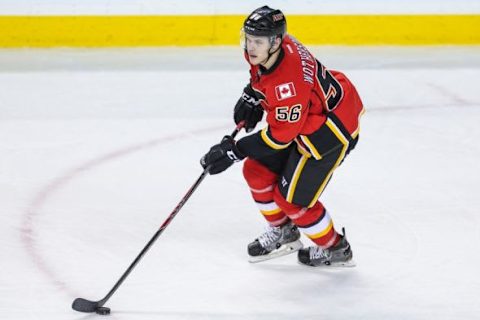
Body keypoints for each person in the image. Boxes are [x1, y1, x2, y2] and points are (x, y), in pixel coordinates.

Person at [201, 5, 364, 267]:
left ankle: (336, 248)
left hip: (328, 134)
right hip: (308, 116)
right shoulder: (277, 47)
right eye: (249, 39)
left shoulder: (288, 86)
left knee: (292, 202)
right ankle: (285, 233)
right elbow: (265, 78)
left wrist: (235, 150)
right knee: (256, 172)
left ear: (275, 41)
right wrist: (253, 94)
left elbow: (279, 138)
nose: (251, 47)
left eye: (258, 42)